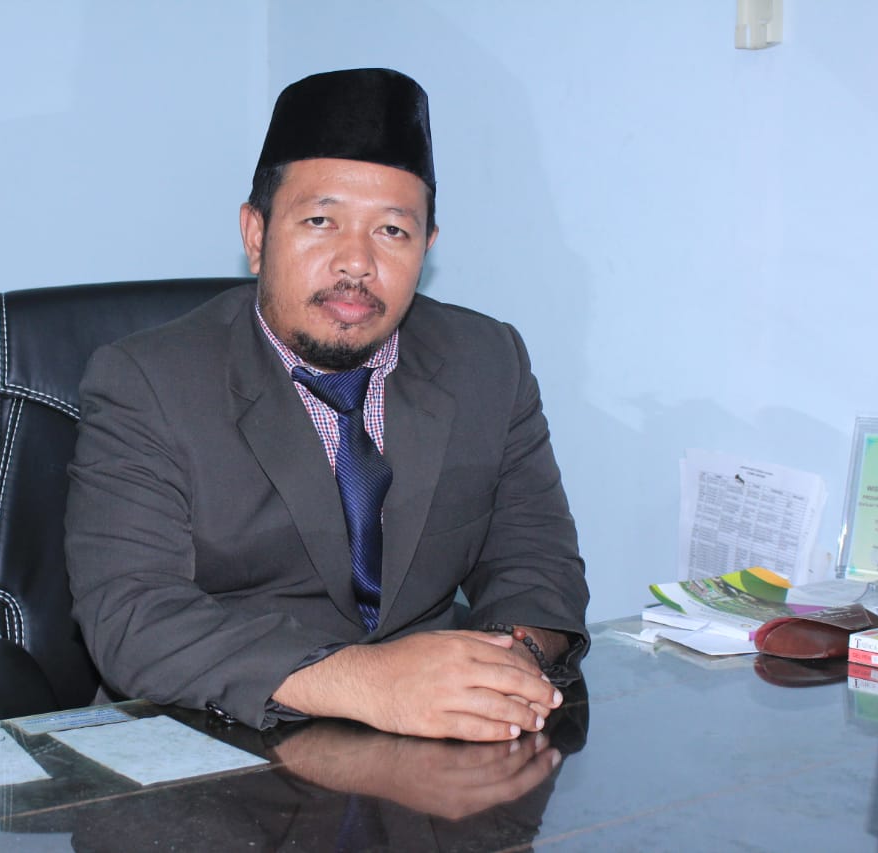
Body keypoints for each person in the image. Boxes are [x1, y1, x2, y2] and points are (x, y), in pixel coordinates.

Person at [65, 68, 588, 742]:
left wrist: (507, 664)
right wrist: (370, 682)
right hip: (213, 736)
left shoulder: (488, 361)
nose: (356, 262)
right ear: (256, 235)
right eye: (320, 221)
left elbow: (537, 561)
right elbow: (131, 616)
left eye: (392, 231)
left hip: (430, 746)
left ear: (427, 248)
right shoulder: (146, 382)